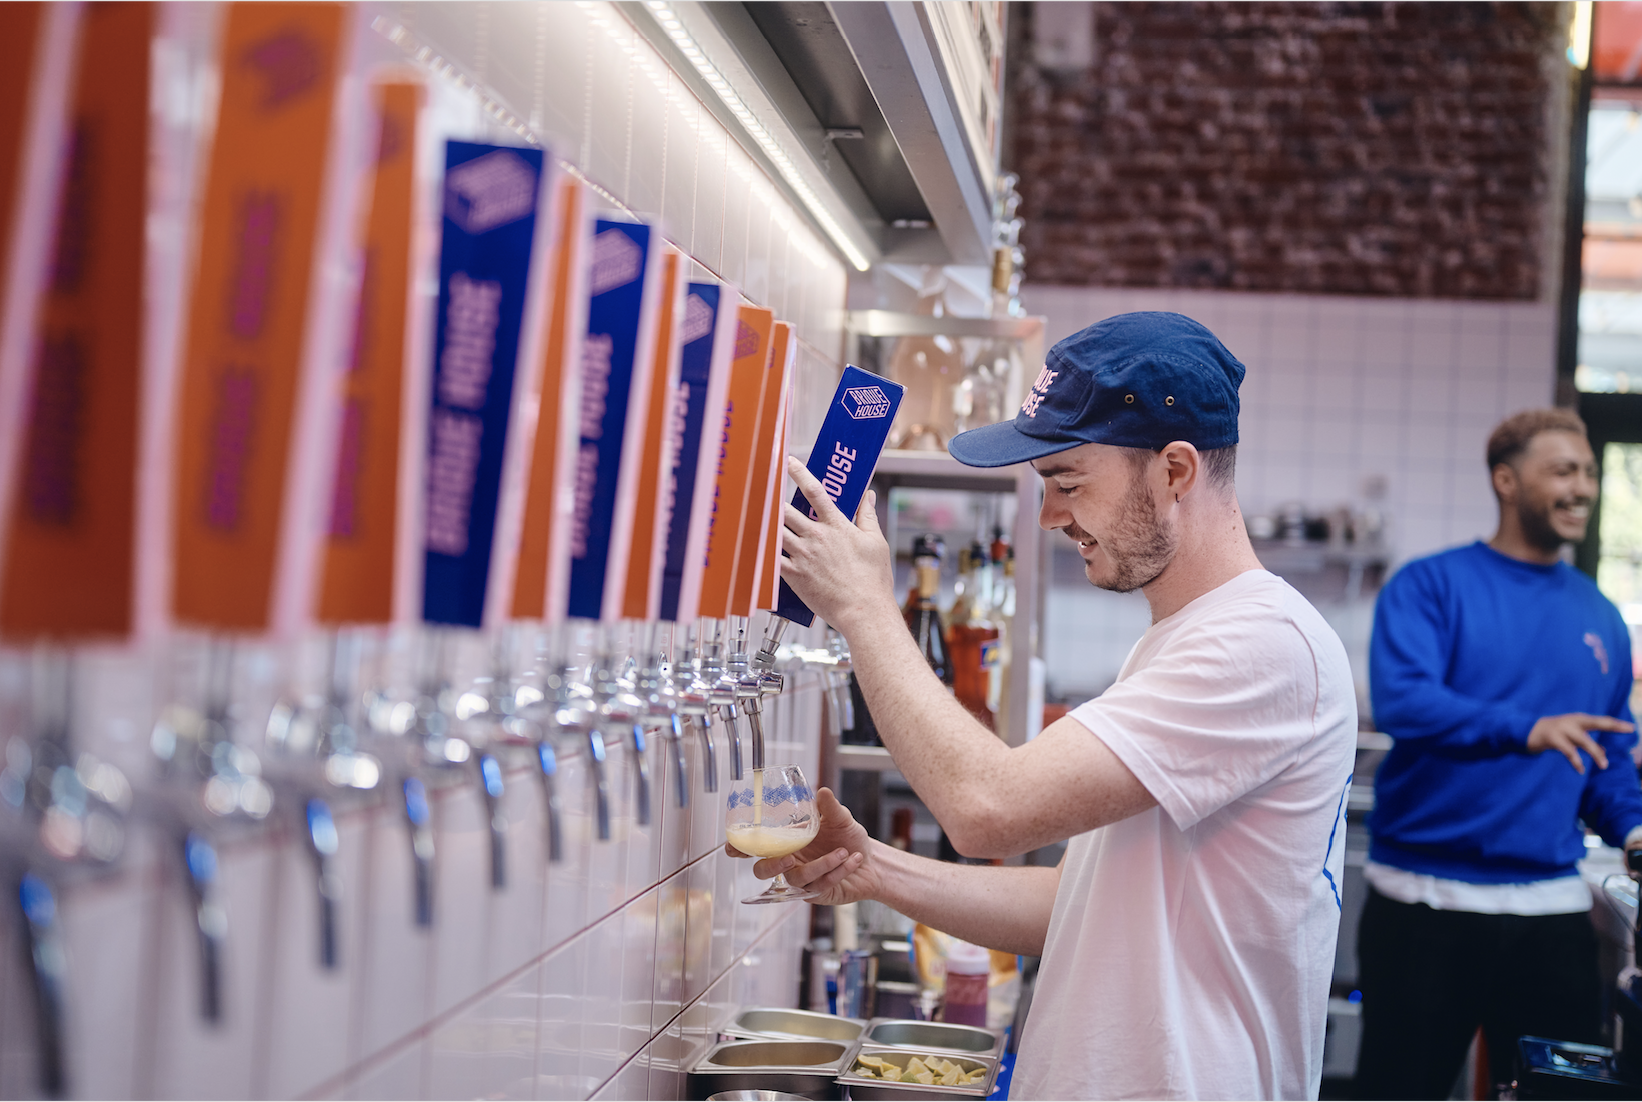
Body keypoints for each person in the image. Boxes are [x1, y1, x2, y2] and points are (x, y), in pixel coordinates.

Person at [748, 312, 1357, 1100]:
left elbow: (985, 808)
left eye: (1068, 481)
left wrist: (865, 606)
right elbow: (1081, 901)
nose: (1050, 517)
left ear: (1175, 472)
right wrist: (875, 869)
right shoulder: (1183, 640)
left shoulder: (1262, 646)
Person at [1355, 408, 1641, 1099]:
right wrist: (1528, 727)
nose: (1582, 488)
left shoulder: (1600, 616)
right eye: (1562, 471)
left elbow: (1605, 755)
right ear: (1506, 481)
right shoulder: (1431, 586)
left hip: (1549, 913)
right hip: (1424, 905)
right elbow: (1406, 702)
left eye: (1590, 472)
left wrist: (1634, 828)